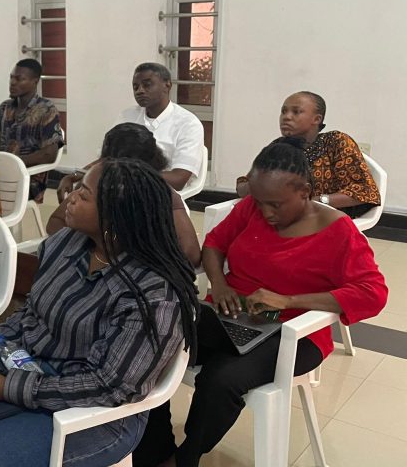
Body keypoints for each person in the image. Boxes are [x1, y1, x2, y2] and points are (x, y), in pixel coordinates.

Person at [135, 138, 387, 467]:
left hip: (293, 335)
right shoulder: (252, 208)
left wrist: (287, 300)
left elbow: (373, 292)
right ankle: (155, 450)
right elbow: (214, 244)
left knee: (221, 379)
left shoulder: (339, 231)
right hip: (230, 315)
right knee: (152, 340)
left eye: (276, 205)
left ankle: (186, 458)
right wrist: (220, 285)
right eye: (260, 201)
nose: (266, 212)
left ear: (305, 191)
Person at [0, 159, 200, 467]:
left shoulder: (153, 294)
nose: (71, 197)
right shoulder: (66, 243)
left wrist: (9, 388)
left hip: (95, 413)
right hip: (29, 370)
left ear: (115, 217)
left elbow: (110, 386)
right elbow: (30, 314)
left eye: (84, 194)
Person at [46, 123, 200, 267]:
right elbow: (55, 221)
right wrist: (84, 244)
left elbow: (190, 254)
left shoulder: (161, 196)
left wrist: (132, 264)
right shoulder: (95, 185)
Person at [234, 91, 380, 219]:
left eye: (296, 112)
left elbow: (365, 191)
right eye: (283, 111)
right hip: (280, 218)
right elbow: (243, 187)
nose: (286, 117)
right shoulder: (277, 147)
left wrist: (314, 202)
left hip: (328, 218)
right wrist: (259, 184)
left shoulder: (336, 142)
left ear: (317, 119)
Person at [0, 58, 64, 198]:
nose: (12, 82)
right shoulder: (4, 108)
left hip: (28, 179)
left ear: (35, 82)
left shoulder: (46, 110)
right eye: (11, 77)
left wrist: (13, 164)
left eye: (19, 79)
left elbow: (49, 154)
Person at [117, 63, 204, 191]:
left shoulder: (188, 124)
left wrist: (131, 175)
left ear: (167, 85)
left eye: (147, 85)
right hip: (122, 189)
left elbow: (178, 179)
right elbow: (105, 158)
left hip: (161, 193)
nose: (140, 91)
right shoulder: (127, 116)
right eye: (135, 87)